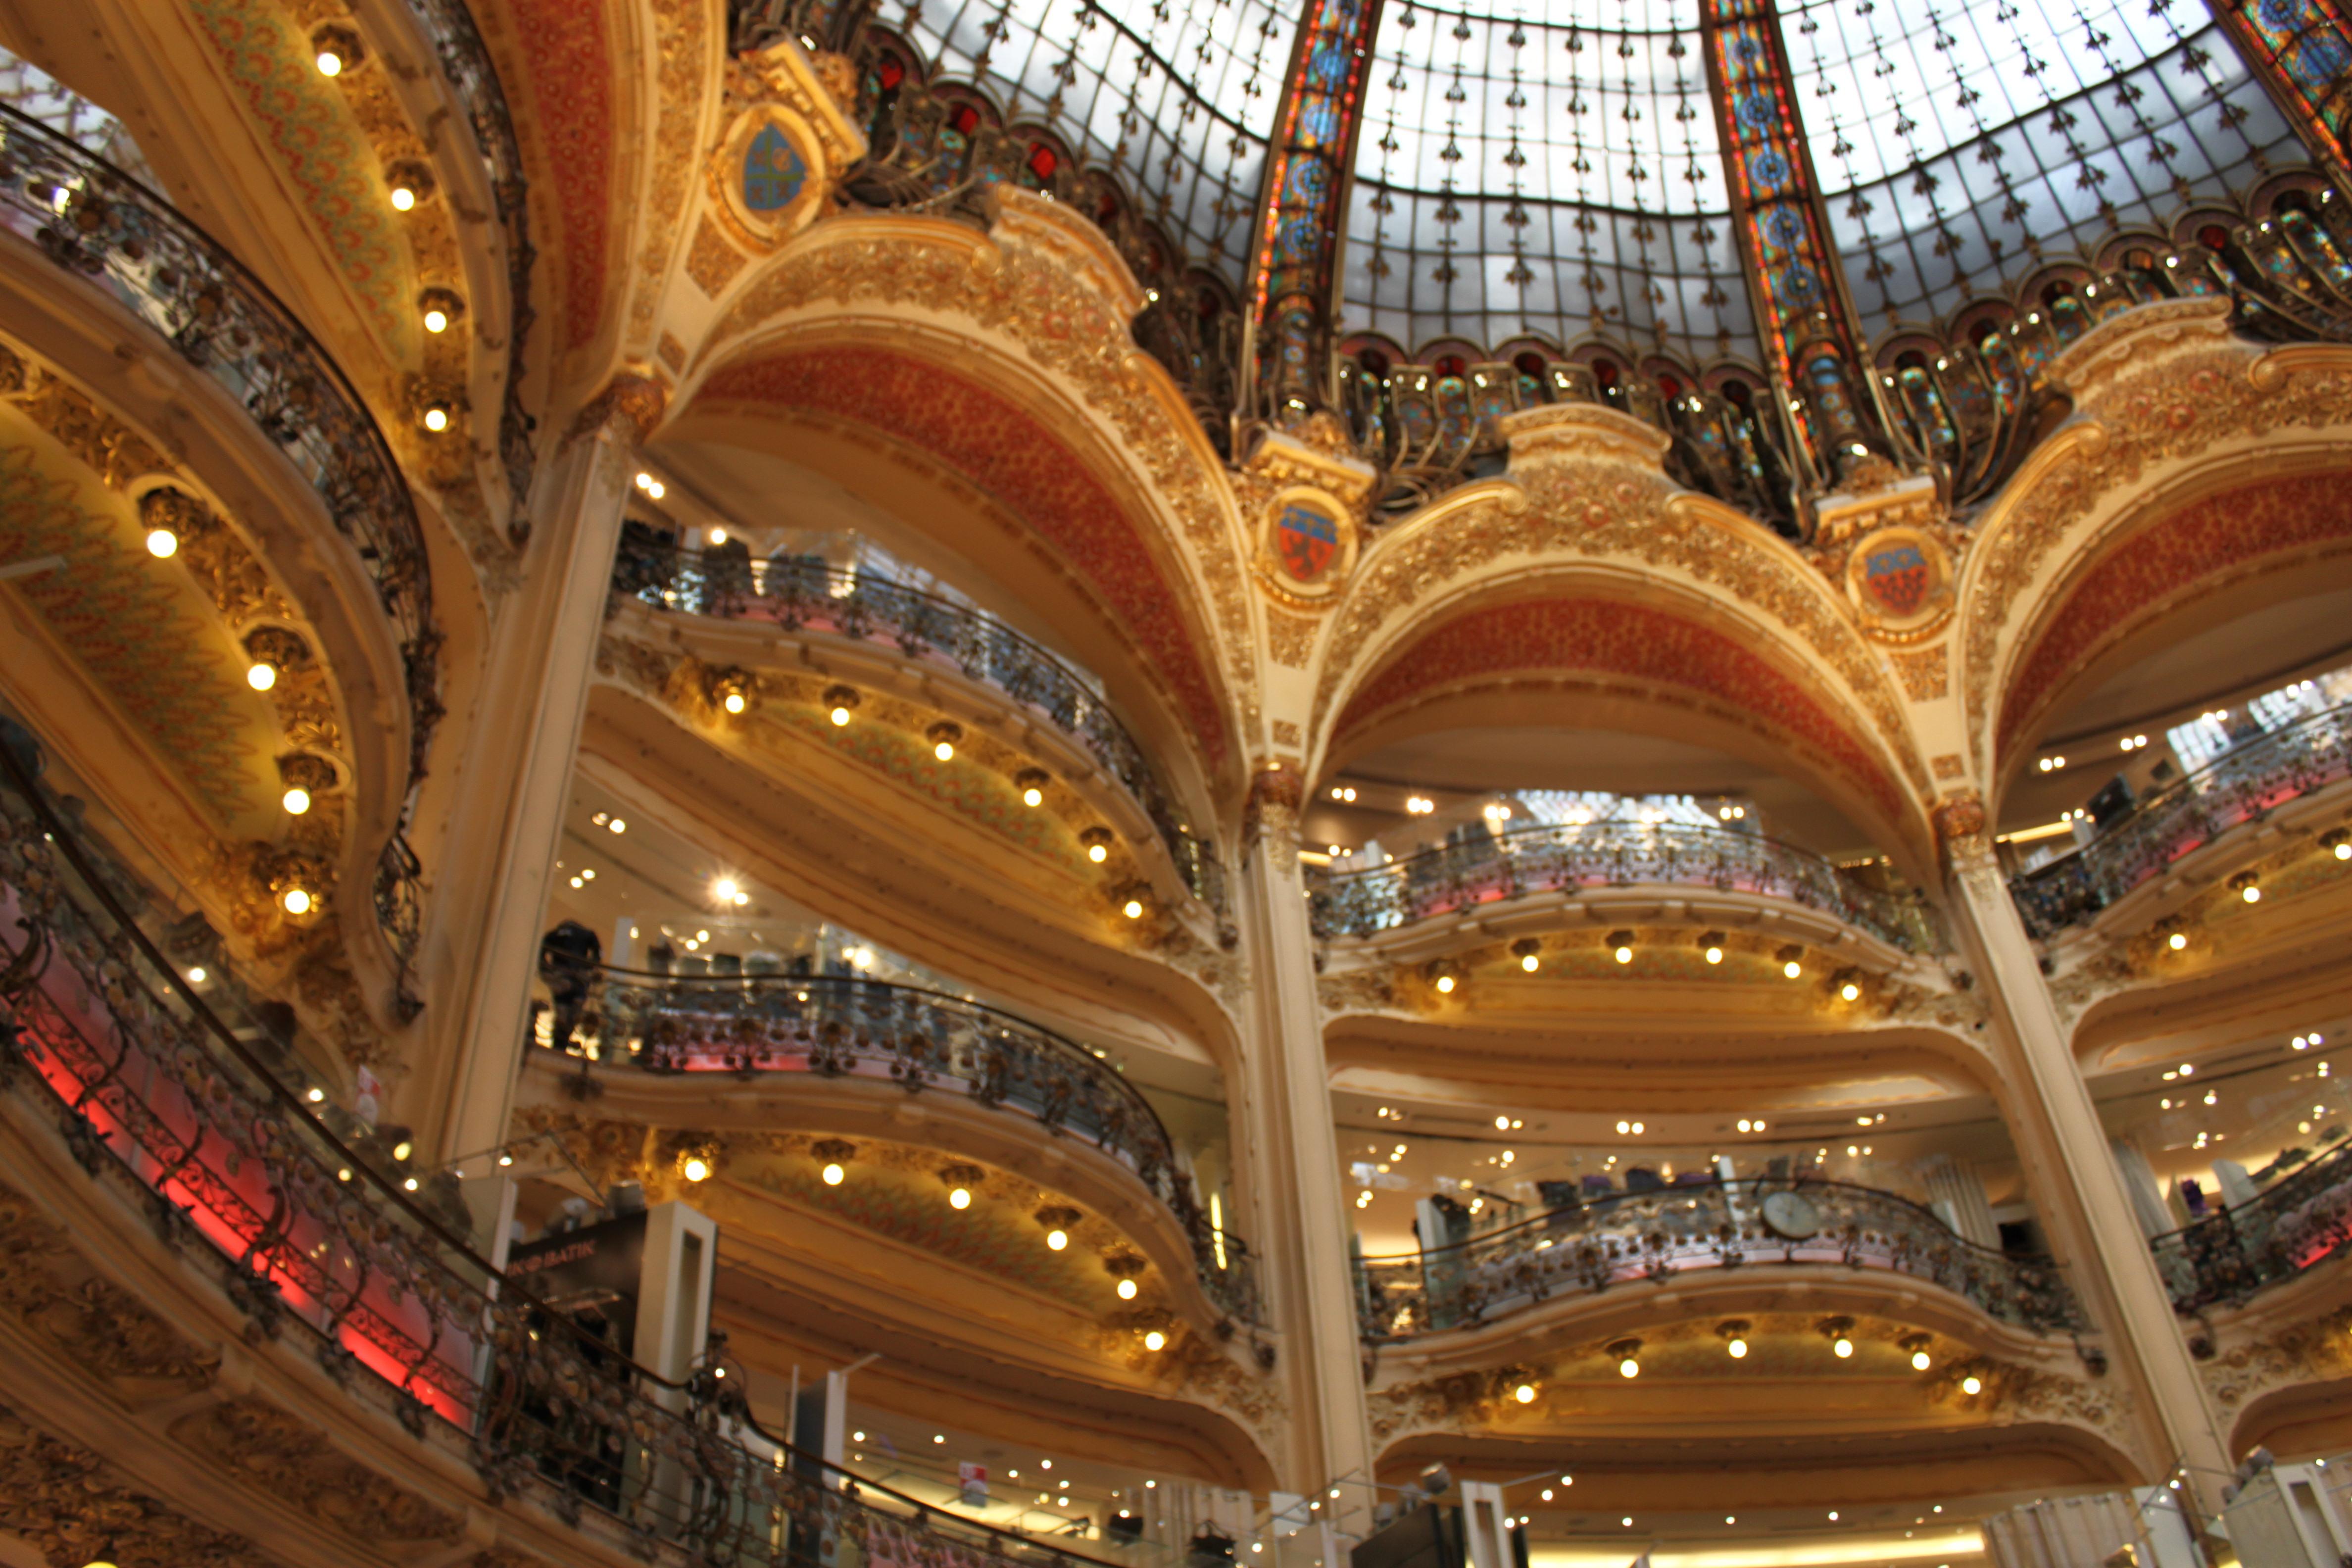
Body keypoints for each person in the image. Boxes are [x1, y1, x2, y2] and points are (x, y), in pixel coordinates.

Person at [539, 920, 602, 1051]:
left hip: (567, 977)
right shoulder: (587, 935)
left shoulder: (555, 934)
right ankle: (561, 1043)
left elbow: (542, 954)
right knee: (569, 1011)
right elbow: (598, 955)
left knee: (566, 1010)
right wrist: (587, 968)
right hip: (574, 978)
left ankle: (560, 1043)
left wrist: (549, 971)